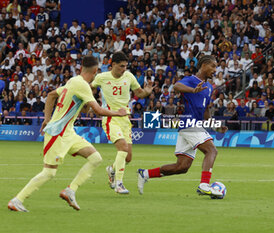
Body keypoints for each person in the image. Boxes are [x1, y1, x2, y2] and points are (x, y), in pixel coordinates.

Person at [8, 56, 127, 212]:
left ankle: (70, 190)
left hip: (69, 133)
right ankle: (17, 200)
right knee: (49, 172)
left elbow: (52, 95)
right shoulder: (82, 85)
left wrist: (47, 118)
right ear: (95, 71)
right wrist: (118, 113)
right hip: (57, 133)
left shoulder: (73, 81)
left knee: (95, 158)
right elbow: (98, 111)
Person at [137, 55, 227, 198]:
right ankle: (204, 185)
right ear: (203, 65)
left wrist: (215, 125)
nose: (215, 70)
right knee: (211, 150)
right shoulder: (191, 80)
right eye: (213, 66)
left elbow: (205, 111)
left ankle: (145, 173)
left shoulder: (209, 87)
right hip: (188, 123)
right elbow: (177, 86)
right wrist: (192, 90)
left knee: (182, 167)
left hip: (195, 125)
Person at [91, 51, 153, 194]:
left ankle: (112, 169)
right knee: (123, 148)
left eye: (125, 66)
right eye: (121, 66)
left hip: (125, 119)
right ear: (112, 65)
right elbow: (90, 90)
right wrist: (92, 105)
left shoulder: (129, 76)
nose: (124, 69)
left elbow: (139, 93)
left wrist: (147, 91)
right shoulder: (101, 77)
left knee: (128, 157)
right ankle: (119, 184)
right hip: (110, 118)